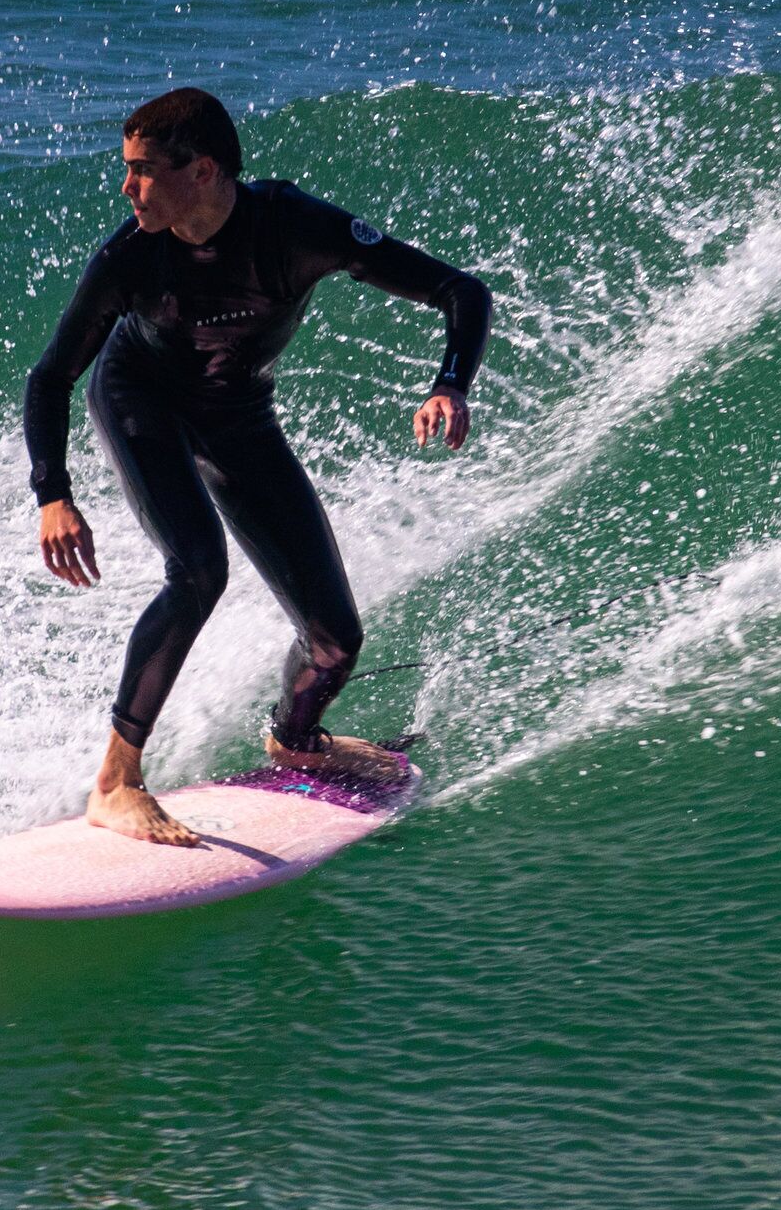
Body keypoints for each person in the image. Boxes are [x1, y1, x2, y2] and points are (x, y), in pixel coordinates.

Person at [24, 87, 493, 845]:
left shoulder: (294, 227)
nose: (126, 187)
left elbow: (459, 290)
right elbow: (50, 377)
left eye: (143, 170)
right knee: (198, 569)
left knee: (336, 638)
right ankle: (115, 781)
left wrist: (450, 386)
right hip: (139, 393)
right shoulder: (130, 257)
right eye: (127, 170)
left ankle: (295, 738)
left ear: (203, 170)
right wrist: (54, 494)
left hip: (233, 409)